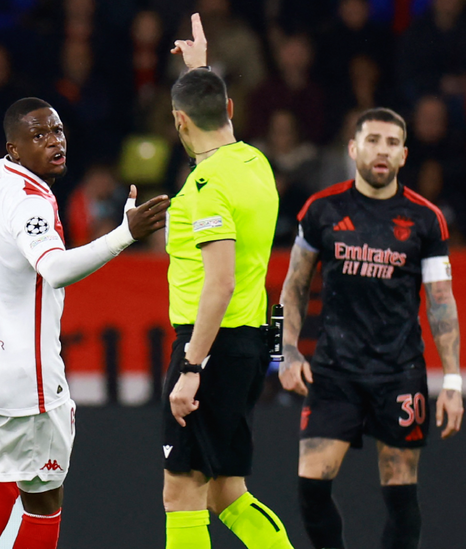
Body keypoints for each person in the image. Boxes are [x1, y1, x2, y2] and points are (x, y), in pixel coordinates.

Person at [0, 97, 170, 549]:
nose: (54, 142)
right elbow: (56, 269)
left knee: (7, 470)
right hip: (22, 381)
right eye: (39, 135)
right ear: (13, 147)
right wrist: (125, 234)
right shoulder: (31, 202)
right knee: (44, 498)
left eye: (57, 131)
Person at [279, 108, 465, 549]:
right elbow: (293, 287)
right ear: (353, 148)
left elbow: (441, 301)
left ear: (404, 155)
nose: (382, 150)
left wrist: (453, 381)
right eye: (373, 140)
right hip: (334, 371)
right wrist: (285, 352)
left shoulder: (425, 218)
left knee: (401, 497)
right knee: (310, 490)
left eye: (392, 143)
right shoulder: (321, 210)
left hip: (399, 372)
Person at [161, 14, 293, 549]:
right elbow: (209, 111)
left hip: (210, 345)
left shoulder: (206, 186)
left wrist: (191, 367)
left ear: (179, 122)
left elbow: (219, 283)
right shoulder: (256, 162)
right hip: (246, 341)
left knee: (181, 493)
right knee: (226, 492)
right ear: (230, 110)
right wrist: (200, 70)